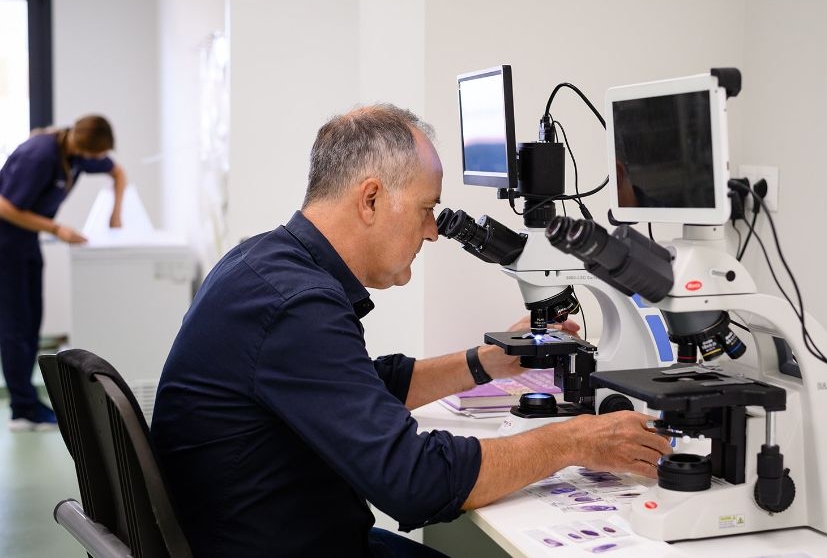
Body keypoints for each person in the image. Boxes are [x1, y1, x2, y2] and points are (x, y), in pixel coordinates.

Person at [150, 104, 671, 557]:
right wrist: (574, 440)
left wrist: (484, 363)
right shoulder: (296, 304)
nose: (432, 231)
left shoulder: (263, 262)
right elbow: (414, 482)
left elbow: (354, 391)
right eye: (426, 210)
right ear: (371, 199)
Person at [0, 114, 127, 431]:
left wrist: (116, 214)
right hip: (5, 243)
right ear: (84, 145)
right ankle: (22, 410)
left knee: (31, 324)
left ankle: (27, 404)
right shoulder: (40, 155)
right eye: (97, 154)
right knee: (16, 326)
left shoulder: (76, 155)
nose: (100, 160)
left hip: (25, 242)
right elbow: (4, 206)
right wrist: (58, 229)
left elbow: (118, 171)